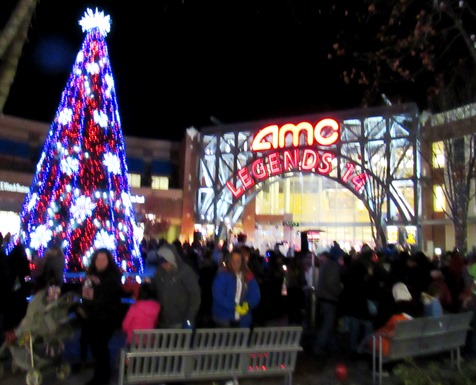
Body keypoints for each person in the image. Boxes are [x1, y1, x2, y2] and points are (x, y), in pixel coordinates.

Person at [79, 248, 123, 385]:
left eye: (104, 259)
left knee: (100, 346)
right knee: (96, 347)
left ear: (109, 261)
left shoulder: (112, 276)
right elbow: (87, 296)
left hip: (106, 318)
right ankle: (100, 375)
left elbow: (107, 297)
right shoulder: (91, 275)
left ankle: (102, 378)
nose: (100, 262)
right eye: (98, 259)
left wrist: (98, 285)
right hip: (93, 317)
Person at [151, 242, 201, 328]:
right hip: (164, 319)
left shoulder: (185, 271)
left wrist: (189, 318)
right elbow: (155, 289)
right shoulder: (160, 272)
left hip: (180, 320)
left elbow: (195, 295)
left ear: (171, 259)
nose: (163, 265)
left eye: (166, 261)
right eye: (161, 262)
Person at [212, 247, 261, 328]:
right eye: (233, 260)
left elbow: (255, 293)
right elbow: (219, 296)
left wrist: (247, 305)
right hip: (224, 318)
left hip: (243, 319)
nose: (235, 263)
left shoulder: (248, 276)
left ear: (242, 262)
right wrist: (235, 307)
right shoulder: (222, 275)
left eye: (238, 261)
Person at [122, 282, 160, 346]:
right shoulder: (157, 307)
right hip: (150, 343)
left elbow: (125, 326)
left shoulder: (135, 307)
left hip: (134, 342)